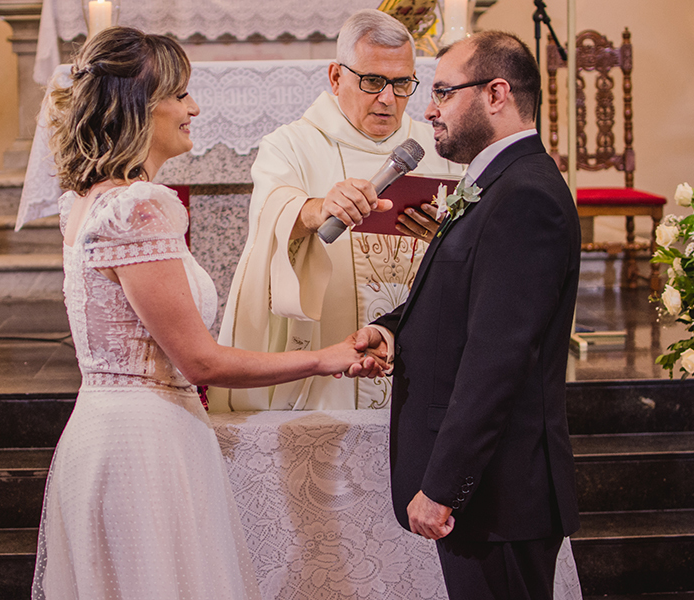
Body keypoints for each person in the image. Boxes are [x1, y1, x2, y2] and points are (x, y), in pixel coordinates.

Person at [31, 27, 369, 600]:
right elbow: (200, 360)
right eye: (180, 93)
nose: (194, 107)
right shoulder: (139, 208)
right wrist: (325, 358)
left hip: (105, 429)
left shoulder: (85, 202)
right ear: (140, 105)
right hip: (146, 442)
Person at [349, 31, 582, 599]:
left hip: (499, 493)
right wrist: (391, 330)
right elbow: (468, 303)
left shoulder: (525, 195)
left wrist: (446, 485)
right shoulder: (499, 182)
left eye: (444, 92)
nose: (427, 109)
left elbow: (497, 358)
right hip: (494, 496)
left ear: (496, 93)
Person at [208, 8, 464, 412]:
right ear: (336, 77)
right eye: (373, 81)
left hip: (423, 364)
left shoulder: (438, 148)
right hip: (327, 373)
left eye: (401, 84)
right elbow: (269, 216)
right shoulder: (292, 144)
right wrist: (316, 209)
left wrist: (446, 236)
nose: (388, 98)